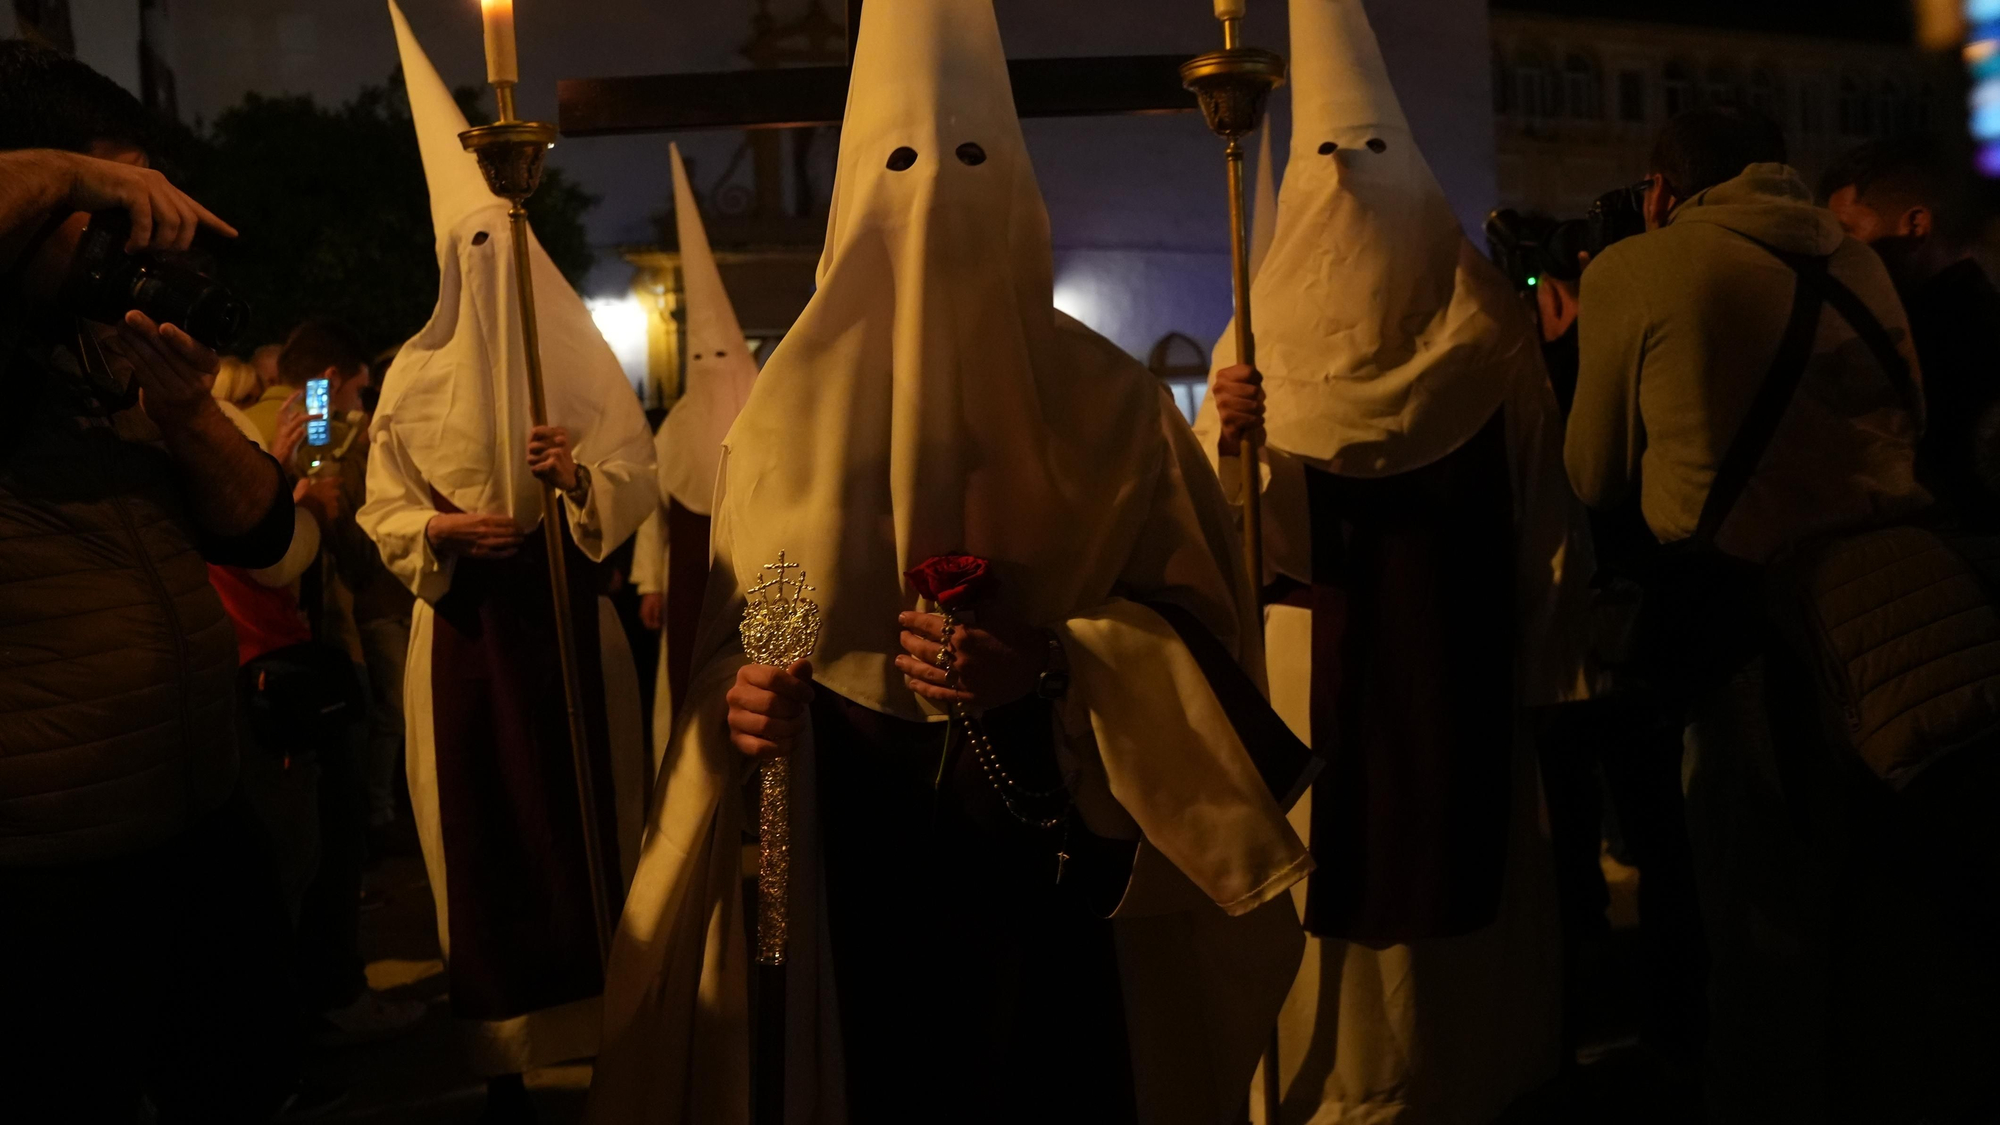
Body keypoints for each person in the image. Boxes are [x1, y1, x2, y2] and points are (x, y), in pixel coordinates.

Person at [587, 2, 1315, 1122]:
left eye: (969, 160)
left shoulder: (1113, 406)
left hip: (1052, 845)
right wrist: (739, 700)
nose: (934, 198)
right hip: (842, 840)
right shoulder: (781, 421)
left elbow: (1203, 636)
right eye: (901, 163)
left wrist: (1055, 665)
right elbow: (758, 630)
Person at [1198, 1, 1586, 1120]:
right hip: (1317, 667)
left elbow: (1537, 503)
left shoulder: (1480, 322)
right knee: (1327, 890)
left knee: (1441, 911)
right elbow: (1223, 539)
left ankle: (1450, 1076)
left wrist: (1544, 660)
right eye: (1326, 159)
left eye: (1367, 153)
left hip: (1443, 659)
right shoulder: (1252, 333)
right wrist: (1232, 441)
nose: (1348, 182)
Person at [1566, 108, 1929, 1121]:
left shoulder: (1638, 268)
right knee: (1862, 881)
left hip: (1740, 618)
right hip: (1890, 600)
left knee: (1747, 897)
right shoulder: (1853, 262)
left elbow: (1592, 473)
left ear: (1657, 190)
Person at [359, 6, 659, 1120]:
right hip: (466, 636)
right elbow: (380, 508)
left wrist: (574, 476)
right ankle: (503, 1060)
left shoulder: (573, 355)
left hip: (564, 625)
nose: (484, 270)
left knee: (581, 828)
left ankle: (609, 1027)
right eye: (466, 249)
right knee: (485, 845)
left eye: (499, 245)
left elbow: (630, 478)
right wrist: (435, 533)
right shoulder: (408, 375)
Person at [0, 41, 301, 1122]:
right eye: (112, 203)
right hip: (43, 880)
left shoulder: (106, 349)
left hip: (198, 833)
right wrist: (71, 174)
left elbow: (263, 534)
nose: (139, 233)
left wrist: (184, 415)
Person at [632, 142, 759, 761]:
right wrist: (649, 584)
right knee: (686, 682)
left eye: (721, 360)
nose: (712, 371)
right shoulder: (675, 425)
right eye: (700, 361)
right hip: (686, 568)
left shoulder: (765, 414)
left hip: (755, 570)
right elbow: (654, 511)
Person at [1823, 136, 2000, 522]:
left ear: (1915, 224)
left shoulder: (1924, 336)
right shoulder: (1976, 312)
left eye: (1847, 232)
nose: (1835, 252)